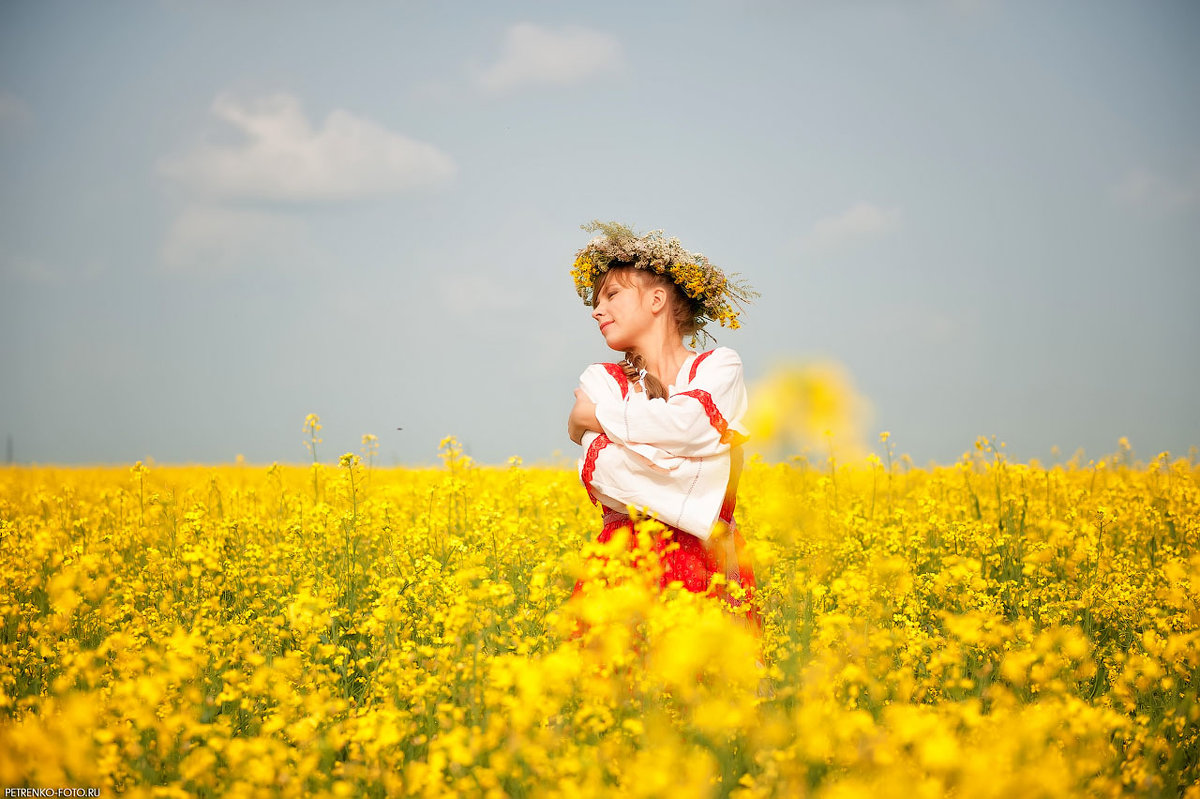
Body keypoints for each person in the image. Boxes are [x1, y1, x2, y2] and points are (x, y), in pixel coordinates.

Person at [566, 221, 760, 630]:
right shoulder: (598, 380)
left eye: (612, 294)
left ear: (657, 299)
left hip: (711, 566)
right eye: (595, 302)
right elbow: (607, 475)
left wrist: (599, 419)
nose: (597, 310)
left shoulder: (719, 365)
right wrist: (693, 464)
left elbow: (691, 425)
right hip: (623, 570)